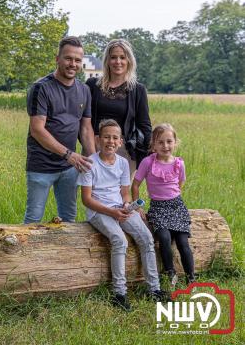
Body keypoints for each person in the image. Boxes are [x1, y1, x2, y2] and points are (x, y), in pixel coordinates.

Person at [77, 119, 169, 311]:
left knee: (146, 238)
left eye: (115, 138)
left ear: (120, 142)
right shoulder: (89, 163)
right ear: (98, 139)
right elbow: (86, 199)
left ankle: (154, 289)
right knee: (120, 240)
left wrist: (127, 205)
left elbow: (125, 192)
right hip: (99, 211)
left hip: (120, 208)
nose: (110, 141)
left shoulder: (123, 163)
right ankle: (119, 293)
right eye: (106, 137)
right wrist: (112, 212)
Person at [24, 36, 95, 224]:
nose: (73, 64)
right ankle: (28, 254)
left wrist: (94, 162)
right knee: (33, 220)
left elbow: (86, 128)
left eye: (77, 60)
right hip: (41, 166)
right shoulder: (41, 88)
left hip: (70, 168)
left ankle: (62, 255)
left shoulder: (84, 90)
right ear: (57, 59)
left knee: (69, 219)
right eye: (68, 58)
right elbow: (37, 130)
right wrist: (68, 154)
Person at [132, 123, 195, 287]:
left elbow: (179, 184)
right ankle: (170, 272)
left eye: (169, 141)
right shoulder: (148, 162)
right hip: (158, 208)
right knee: (164, 238)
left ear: (175, 142)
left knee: (182, 242)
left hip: (176, 206)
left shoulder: (179, 164)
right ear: (153, 144)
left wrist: (173, 198)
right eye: (160, 142)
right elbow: (136, 185)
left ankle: (191, 278)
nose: (165, 146)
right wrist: (137, 207)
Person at [86, 39, 151, 177]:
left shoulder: (138, 90)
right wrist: (90, 149)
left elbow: (144, 124)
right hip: (94, 146)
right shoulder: (92, 85)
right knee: (93, 195)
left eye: (122, 57)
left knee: (122, 196)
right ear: (107, 61)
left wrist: (148, 156)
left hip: (124, 150)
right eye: (113, 57)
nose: (118, 61)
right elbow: (83, 121)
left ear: (129, 61)